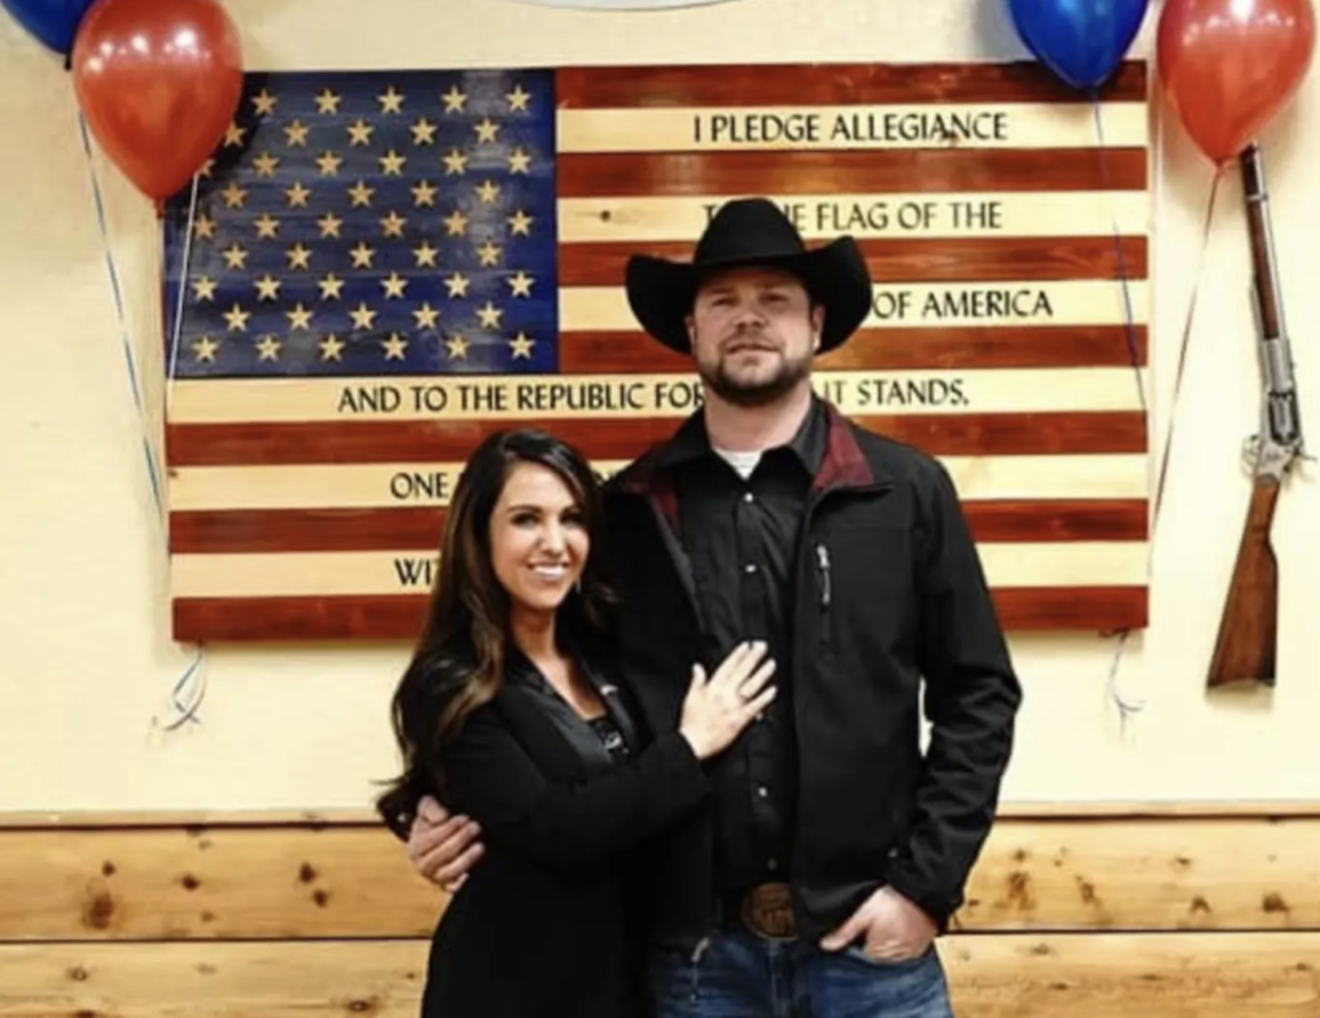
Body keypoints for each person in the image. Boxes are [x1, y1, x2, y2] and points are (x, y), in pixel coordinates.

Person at [397, 198, 1024, 1017]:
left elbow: (980, 695)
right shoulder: (624, 511)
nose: (749, 320)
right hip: (695, 961)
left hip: (871, 955)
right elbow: (533, 688)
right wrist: (424, 804)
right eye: (724, 301)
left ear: (817, 322)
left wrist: (924, 887)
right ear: (690, 330)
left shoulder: (904, 492)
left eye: (775, 299)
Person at [375, 428, 780, 1018]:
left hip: (624, 984)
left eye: (572, 519)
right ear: (478, 533)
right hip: (511, 990)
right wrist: (690, 747)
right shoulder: (450, 684)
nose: (554, 542)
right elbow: (558, 828)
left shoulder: (604, 654)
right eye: (525, 520)